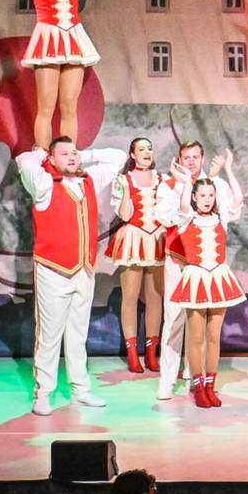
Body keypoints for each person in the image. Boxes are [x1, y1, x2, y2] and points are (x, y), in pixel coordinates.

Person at [15, 134, 128, 416]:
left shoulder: (88, 181)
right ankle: (43, 393)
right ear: (52, 159)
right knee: (49, 336)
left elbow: (118, 157)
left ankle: (80, 390)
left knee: (77, 335)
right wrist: (44, 155)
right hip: (53, 270)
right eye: (65, 154)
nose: (72, 157)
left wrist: (81, 156)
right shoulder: (44, 184)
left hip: (83, 270)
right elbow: (23, 161)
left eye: (74, 152)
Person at [3, 0, 108, 151]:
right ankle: (44, 157)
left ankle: (68, 155)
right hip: (48, 39)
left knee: (69, 106)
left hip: (73, 39)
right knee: (46, 107)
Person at [160, 166, 246, 409]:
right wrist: (188, 180)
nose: (207, 200)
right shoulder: (187, 219)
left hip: (218, 278)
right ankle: (198, 386)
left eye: (211, 195)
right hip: (196, 278)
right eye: (202, 195)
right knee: (196, 338)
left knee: (214, 337)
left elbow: (238, 198)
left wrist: (229, 169)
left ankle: (210, 385)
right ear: (195, 197)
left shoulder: (221, 218)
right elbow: (183, 205)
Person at [105, 136, 166, 376]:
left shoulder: (162, 180)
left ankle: (151, 352)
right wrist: (126, 190)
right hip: (133, 238)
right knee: (130, 297)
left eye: (149, 148)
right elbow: (125, 215)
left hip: (157, 239)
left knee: (155, 297)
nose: (147, 152)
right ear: (132, 155)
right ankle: (132, 354)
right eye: (141, 149)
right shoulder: (124, 180)